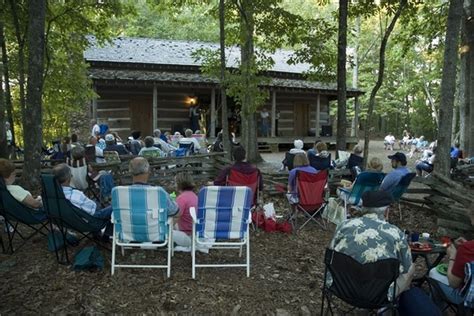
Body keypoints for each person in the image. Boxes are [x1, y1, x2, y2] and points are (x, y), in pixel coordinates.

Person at [330, 191, 415, 298]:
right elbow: (406, 266)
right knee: (411, 268)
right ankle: (390, 308)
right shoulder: (396, 233)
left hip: (341, 288)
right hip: (378, 296)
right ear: (386, 212)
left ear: (363, 208)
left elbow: (331, 255)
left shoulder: (344, 225)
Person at [429, 237, 474, 306]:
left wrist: (453, 256)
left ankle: (433, 309)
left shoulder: (467, 248)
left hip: (466, 299)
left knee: (433, 272)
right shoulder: (468, 247)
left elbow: (453, 283)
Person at [172, 172, 197, 251]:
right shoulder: (194, 196)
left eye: (175, 182)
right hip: (194, 232)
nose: (174, 185)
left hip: (186, 235)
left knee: (162, 232)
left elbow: (175, 217)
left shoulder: (181, 198)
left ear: (180, 184)